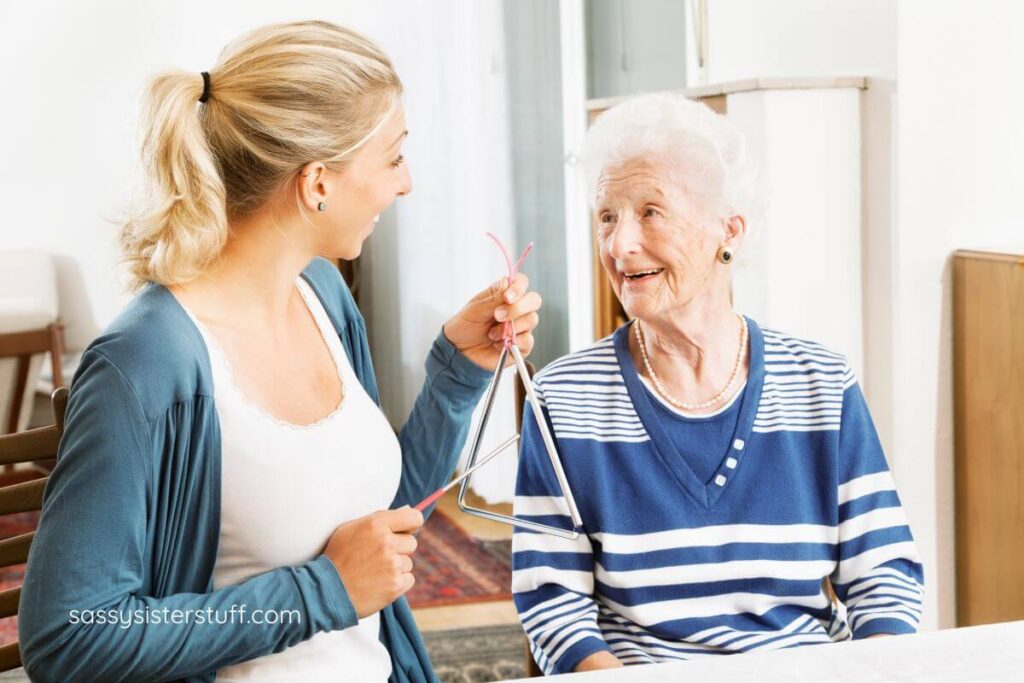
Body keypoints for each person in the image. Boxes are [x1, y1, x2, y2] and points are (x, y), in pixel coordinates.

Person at [18, 20, 542, 683]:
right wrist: (321, 591)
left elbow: (379, 533)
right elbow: (70, 633)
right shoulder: (147, 362)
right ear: (317, 181)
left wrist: (460, 367)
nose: (405, 183)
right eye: (393, 157)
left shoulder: (323, 293)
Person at [510, 92, 923, 674]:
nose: (620, 244)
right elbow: (552, 603)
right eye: (608, 216)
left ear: (728, 229)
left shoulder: (820, 384)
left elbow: (884, 574)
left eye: (650, 211)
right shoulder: (565, 397)